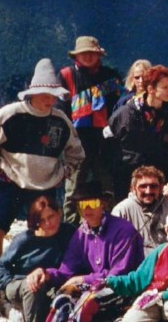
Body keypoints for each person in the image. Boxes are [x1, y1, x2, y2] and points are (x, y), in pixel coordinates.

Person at [0, 58, 84, 255]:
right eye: (45, 95)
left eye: (54, 96)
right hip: (11, 180)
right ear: (33, 93)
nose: (50, 100)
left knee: (45, 230)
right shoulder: (10, 114)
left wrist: (64, 173)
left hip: (45, 186)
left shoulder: (60, 120)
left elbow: (76, 152)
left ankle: (36, 271)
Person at [27, 182, 144, 321]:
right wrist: (46, 274)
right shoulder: (81, 233)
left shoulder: (123, 230)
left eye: (92, 203)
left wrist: (84, 279)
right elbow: (67, 271)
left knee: (86, 304)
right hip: (95, 287)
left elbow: (119, 274)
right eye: (82, 205)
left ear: (103, 204)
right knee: (62, 300)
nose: (87, 208)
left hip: (124, 288)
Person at [58, 36, 122, 219]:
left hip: (104, 142)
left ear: (98, 55)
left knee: (107, 185)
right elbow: (61, 109)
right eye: (83, 53)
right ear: (75, 56)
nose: (87, 56)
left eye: (91, 53)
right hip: (76, 141)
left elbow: (116, 108)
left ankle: (110, 224)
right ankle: (70, 226)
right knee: (73, 186)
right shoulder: (66, 75)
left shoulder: (111, 76)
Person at [104, 209, 168, 322]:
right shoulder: (159, 251)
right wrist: (110, 282)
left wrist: (164, 295)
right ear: (167, 231)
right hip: (152, 299)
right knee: (132, 319)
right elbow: (138, 278)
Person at [105, 64, 168, 198]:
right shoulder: (127, 112)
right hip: (127, 175)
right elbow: (108, 140)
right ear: (151, 89)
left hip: (156, 176)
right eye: (165, 87)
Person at [0, 196, 75, 322]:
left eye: (51, 217)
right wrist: (8, 282)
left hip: (49, 284)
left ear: (59, 213)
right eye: (42, 220)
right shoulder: (25, 240)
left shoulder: (69, 232)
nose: (48, 223)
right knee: (34, 286)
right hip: (19, 283)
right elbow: (0, 266)